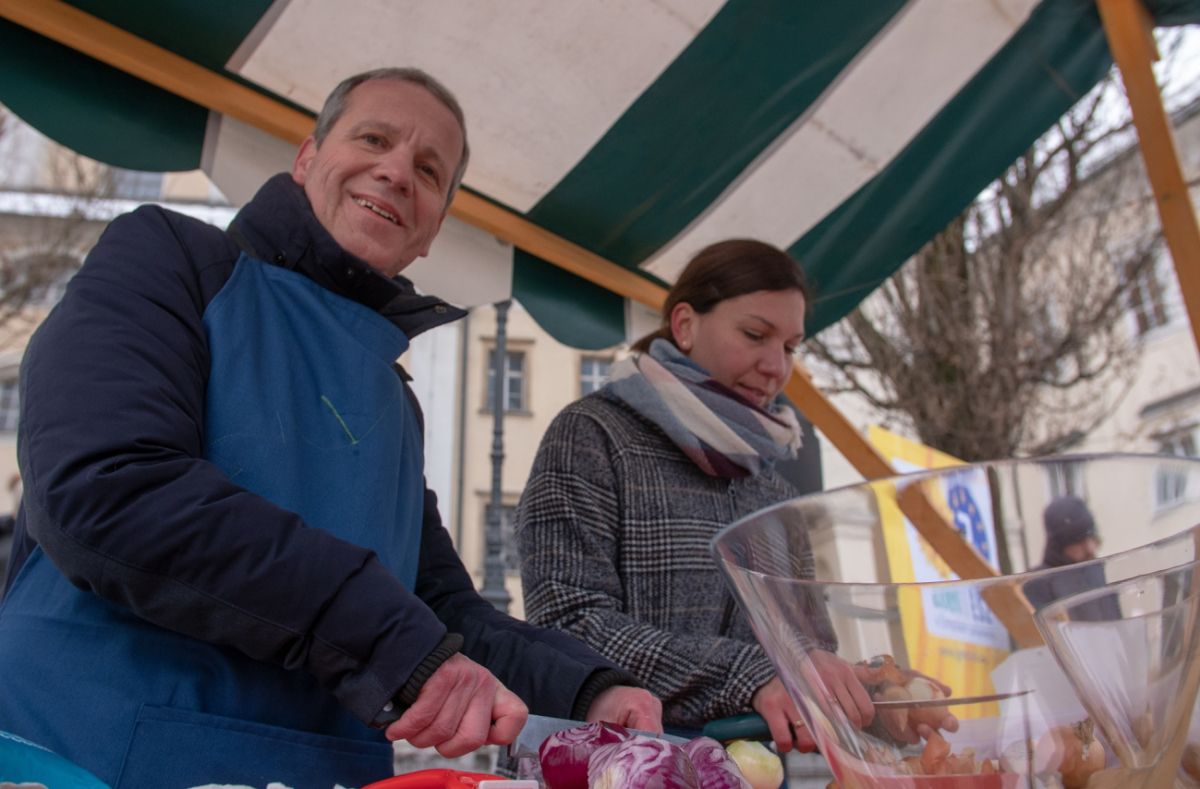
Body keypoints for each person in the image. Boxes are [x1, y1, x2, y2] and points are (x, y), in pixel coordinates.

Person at [0, 68, 659, 789]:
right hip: (92, 753)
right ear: (307, 158)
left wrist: (588, 690)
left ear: (433, 229)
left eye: (429, 170)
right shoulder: (170, 256)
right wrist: (390, 642)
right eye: (374, 138)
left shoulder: (396, 399)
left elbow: (436, 607)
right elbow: (108, 488)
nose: (397, 171)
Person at [515, 239, 880, 758]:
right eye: (755, 335)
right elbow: (568, 622)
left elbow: (809, 648)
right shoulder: (593, 435)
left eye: (791, 347)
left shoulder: (774, 488)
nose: (776, 367)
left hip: (750, 774)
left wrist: (876, 699)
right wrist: (751, 674)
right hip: (608, 768)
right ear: (685, 324)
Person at [1023, 494, 1120, 621]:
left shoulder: (1096, 570)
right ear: (1060, 545)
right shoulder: (1038, 584)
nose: (1090, 549)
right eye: (1080, 542)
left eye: (1091, 538)